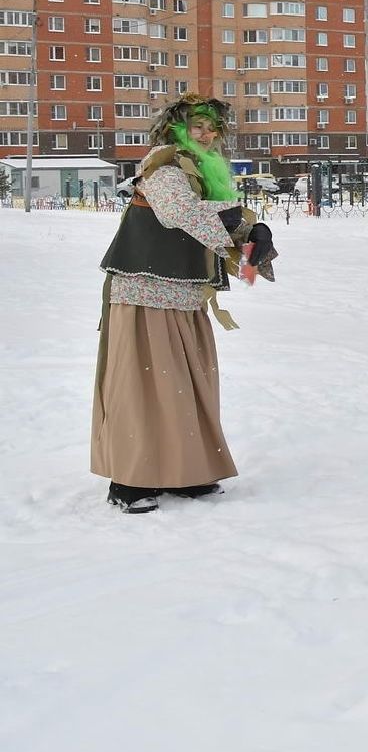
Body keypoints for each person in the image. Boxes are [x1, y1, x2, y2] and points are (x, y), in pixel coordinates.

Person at [92, 95, 277, 514]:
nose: (207, 134)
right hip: (145, 291)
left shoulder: (201, 171)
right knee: (143, 387)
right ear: (175, 128)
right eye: (197, 126)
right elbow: (179, 212)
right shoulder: (164, 163)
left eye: (212, 127)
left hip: (184, 294)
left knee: (187, 385)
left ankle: (185, 472)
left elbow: (208, 218)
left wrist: (253, 232)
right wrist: (238, 219)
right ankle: (130, 480)